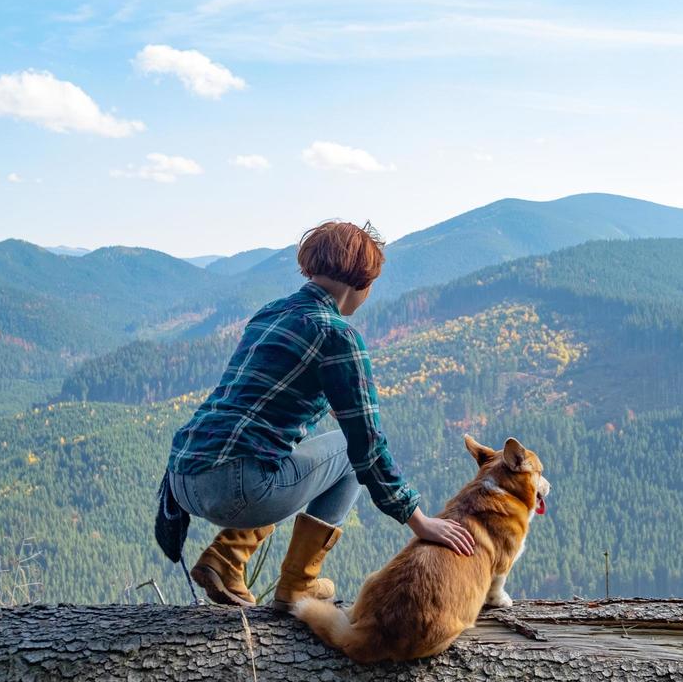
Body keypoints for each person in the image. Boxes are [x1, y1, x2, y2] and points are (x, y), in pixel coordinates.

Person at [166, 219, 475, 610]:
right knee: (346, 453)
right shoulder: (337, 335)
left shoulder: (271, 313)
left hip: (182, 476)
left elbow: (258, 396)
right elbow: (368, 449)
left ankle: (227, 558)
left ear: (310, 266)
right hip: (236, 487)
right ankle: (297, 584)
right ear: (362, 282)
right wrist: (420, 521)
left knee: (293, 458)